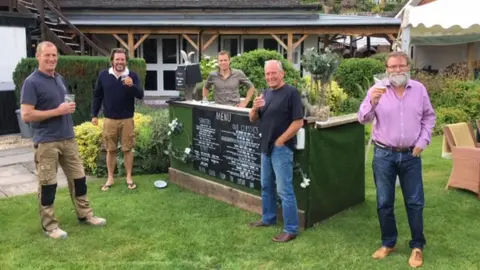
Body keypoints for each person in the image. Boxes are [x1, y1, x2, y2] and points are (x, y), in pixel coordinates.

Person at [20, 41, 106, 240]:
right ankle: (50, 226)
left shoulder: (59, 79)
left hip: (68, 138)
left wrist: (66, 109)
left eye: (54, 55)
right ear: (38, 57)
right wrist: (57, 111)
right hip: (47, 141)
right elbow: (26, 115)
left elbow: (62, 105)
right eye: (47, 55)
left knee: (79, 179)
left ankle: (85, 215)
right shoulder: (31, 82)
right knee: (48, 185)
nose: (51, 59)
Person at [357, 51, 436, 268]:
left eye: (401, 65)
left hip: (411, 154)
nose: (397, 70)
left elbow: (429, 117)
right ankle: (388, 242)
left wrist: (422, 141)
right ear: (386, 69)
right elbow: (363, 118)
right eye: (392, 67)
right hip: (384, 154)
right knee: (384, 202)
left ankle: (417, 246)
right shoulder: (377, 90)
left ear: (408, 66)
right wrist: (372, 101)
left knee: (415, 202)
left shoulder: (419, 90)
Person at [248, 60, 304, 243]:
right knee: (266, 186)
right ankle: (268, 218)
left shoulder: (291, 93)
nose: (270, 77)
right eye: (267, 74)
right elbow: (253, 119)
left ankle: (291, 229)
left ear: (282, 74)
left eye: (273, 73)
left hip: (281, 149)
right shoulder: (265, 93)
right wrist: (255, 107)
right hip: (265, 147)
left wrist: (281, 140)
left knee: (284, 190)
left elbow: (298, 122)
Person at [91, 48, 144, 191]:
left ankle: (128, 177)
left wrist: (131, 86)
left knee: (128, 149)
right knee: (110, 149)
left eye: (122, 59)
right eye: (117, 59)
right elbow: (97, 96)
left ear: (126, 60)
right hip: (109, 119)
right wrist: (94, 115)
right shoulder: (104, 75)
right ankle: (110, 178)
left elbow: (140, 95)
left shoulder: (132, 75)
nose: (120, 62)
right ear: (112, 60)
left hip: (127, 119)